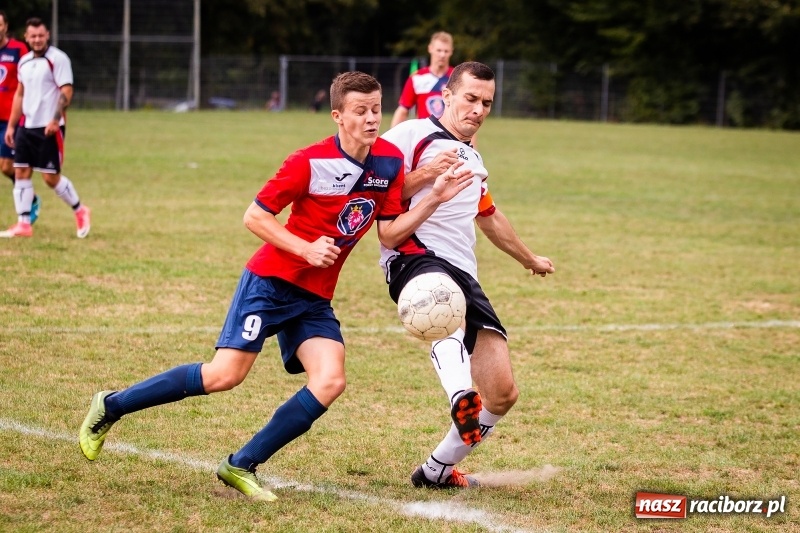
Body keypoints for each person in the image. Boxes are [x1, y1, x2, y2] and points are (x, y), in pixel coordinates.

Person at [78, 71, 472, 501]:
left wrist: (434, 196)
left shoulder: (390, 162)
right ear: (338, 116)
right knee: (225, 375)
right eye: (360, 111)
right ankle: (111, 405)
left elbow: (390, 234)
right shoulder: (308, 161)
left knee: (330, 380)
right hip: (270, 283)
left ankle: (241, 464)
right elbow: (255, 216)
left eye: (376, 109)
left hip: (314, 297)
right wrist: (304, 249)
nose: (372, 118)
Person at [379, 61, 556, 489]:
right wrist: (426, 174)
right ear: (447, 96)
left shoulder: (474, 156)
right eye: (471, 98)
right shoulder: (409, 134)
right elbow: (375, 191)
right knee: (446, 311)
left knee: (502, 393)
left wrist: (529, 258)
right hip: (414, 258)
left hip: (463, 273)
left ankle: (436, 471)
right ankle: (460, 395)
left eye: (487, 103)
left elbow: (488, 216)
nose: (478, 109)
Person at [1, 17, 90, 239]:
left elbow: (66, 90)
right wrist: (11, 126)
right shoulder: (24, 62)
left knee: (50, 178)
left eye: (41, 35)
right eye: (33, 36)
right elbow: (19, 94)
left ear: (47, 35)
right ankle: (23, 224)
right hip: (26, 126)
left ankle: (80, 210)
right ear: (26, 37)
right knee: (20, 171)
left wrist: (55, 119)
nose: (37, 40)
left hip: (49, 127)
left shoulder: (58, 59)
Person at [0, 11, 41, 225]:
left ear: (6, 26)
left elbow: (29, 79)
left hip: (11, 118)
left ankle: (30, 198)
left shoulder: (18, 50)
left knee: (7, 167)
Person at [390, 31, 454, 128]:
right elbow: (403, 110)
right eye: (439, 50)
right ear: (430, 48)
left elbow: (466, 112)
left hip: (450, 134)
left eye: (446, 51)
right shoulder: (417, 78)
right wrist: (391, 136)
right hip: (424, 134)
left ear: (451, 51)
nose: (442, 55)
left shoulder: (457, 77)